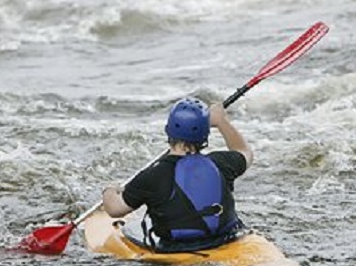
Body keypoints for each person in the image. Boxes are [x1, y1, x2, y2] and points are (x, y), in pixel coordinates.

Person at [101, 97, 253, 251]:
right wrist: (221, 122)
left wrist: (110, 190)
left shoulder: (153, 175)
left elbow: (114, 209)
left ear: (168, 130)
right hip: (225, 240)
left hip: (177, 251)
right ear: (205, 134)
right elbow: (244, 151)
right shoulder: (221, 163)